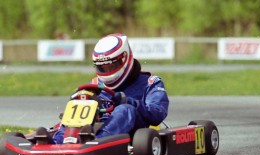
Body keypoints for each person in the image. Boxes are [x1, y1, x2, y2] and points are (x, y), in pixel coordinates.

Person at [36, 33, 169, 144]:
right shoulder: (95, 84)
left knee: (125, 110)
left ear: (125, 58)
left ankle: (97, 142)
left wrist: (130, 102)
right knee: (78, 105)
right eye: (103, 67)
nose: (108, 71)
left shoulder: (150, 82)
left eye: (112, 65)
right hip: (92, 129)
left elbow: (157, 113)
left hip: (135, 132)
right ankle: (58, 142)